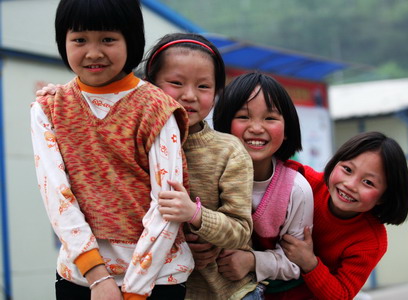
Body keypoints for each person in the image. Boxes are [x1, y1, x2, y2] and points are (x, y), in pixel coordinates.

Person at [30, 1, 194, 299]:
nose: (93, 52)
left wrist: (134, 290)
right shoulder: (48, 108)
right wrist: (97, 277)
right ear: (62, 41)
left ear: (130, 39)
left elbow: (166, 206)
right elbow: (56, 196)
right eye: (79, 39)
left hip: (157, 280)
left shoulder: (157, 108)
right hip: (80, 278)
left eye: (108, 39)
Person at [144, 33, 256, 300]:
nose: (190, 95)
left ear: (217, 93)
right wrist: (179, 248)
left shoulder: (229, 150)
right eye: (176, 83)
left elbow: (241, 231)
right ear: (149, 86)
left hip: (227, 293)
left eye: (204, 87)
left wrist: (195, 215)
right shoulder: (137, 146)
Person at [213, 72, 314, 298]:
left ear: (287, 129)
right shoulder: (209, 175)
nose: (257, 128)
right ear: (224, 123)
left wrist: (251, 261)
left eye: (270, 118)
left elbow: (296, 262)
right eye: (243, 116)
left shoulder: (296, 189)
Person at [280, 131, 408, 300]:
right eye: (347, 169)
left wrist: (309, 263)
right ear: (335, 163)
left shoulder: (370, 241)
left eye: (368, 182)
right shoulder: (304, 181)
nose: (350, 185)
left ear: (384, 197)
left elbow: (341, 295)